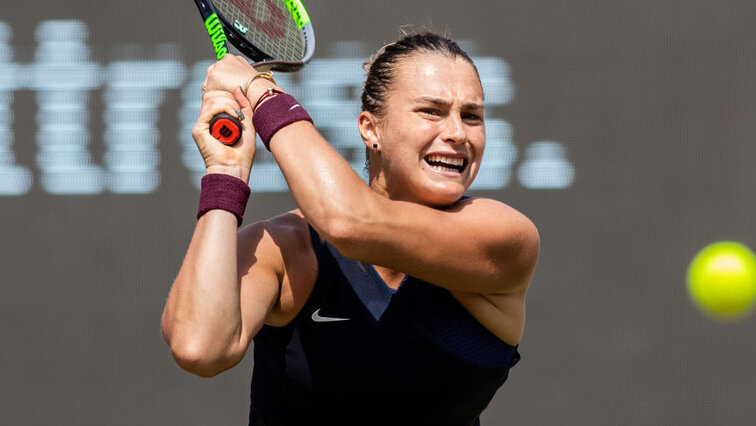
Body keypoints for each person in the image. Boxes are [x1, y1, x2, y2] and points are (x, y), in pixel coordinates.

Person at [161, 31, 539, 426]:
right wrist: (226, 174)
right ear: (371, 129)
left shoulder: (505, 239)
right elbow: (199, 348)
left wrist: (261, 94)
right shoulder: (286, 249)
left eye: (472, 116)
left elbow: (348, 223)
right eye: (431, 111)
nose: (458, 133)